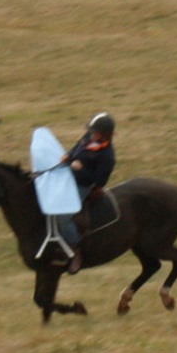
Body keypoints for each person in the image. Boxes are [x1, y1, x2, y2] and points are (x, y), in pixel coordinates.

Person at [59, 112, 116, 274]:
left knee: (62, 216)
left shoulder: (107, 156)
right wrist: (68, 156)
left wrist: (80, 169)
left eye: (95, 131)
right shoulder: (89, 137)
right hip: (68, 177)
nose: (92, 134)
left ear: (105, 134)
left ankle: (75, 249)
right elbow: (77, 148)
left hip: (83, 186)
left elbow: (99, 180)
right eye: (91, 131)